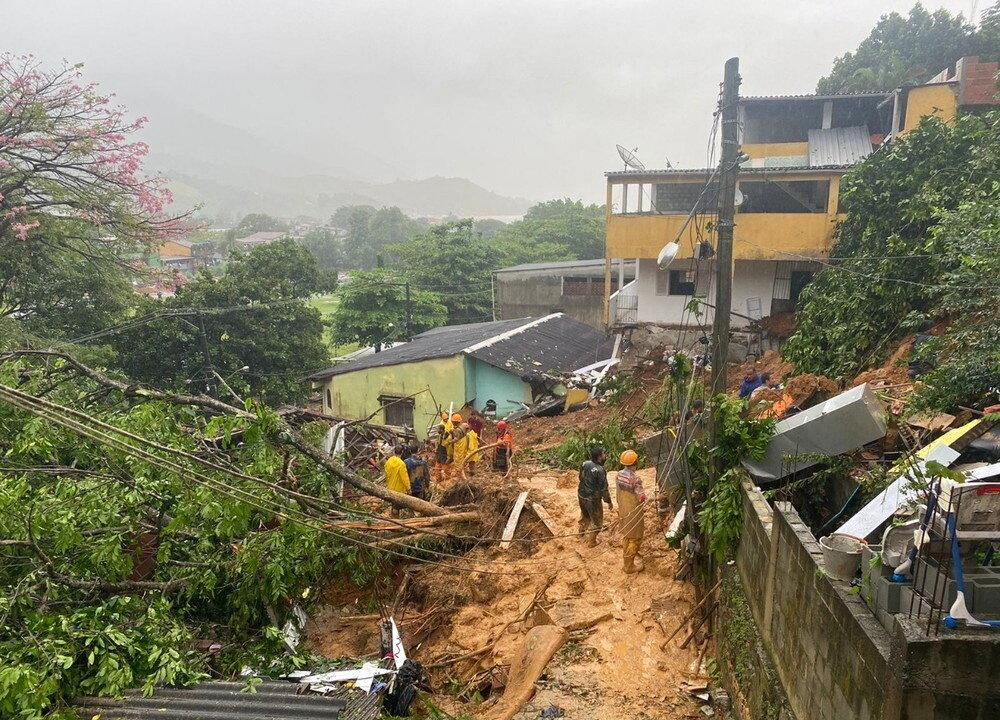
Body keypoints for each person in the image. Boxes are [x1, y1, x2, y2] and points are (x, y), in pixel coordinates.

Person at [616, 449, 646, 573]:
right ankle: (629, 566)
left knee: (627, 536)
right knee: (635, 538)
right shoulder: (635, 479)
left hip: (623, 509)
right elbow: (642, 498)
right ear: (635, 462)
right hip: (633, 511)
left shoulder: (618, 475)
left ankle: (627, 560)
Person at [578, 446, 612, 547]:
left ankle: (581, 532)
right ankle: (592, 542)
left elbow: (580, 477)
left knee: (585, 514)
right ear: (599, 457)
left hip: (581, 494)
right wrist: (609, 501)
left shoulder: (585, 463)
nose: (605, 456)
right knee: (597, 522)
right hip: (592, 499)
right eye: (604, 454)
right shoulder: (600, 470)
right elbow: (604, 489)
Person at [384, 445, 411, 517]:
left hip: (390, 487)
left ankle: (393, 520)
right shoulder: (401, 464)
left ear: (394, 451)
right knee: (397, 506)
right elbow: (404, 478)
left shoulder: (388, 461)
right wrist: (408, 488)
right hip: (399, 489)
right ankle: (396, 521)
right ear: (402, 452)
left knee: (394, 504)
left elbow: (387, 474)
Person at [434, 412, 453, 483]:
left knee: (446, 469)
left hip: (445, 454)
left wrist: (449, 457)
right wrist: (436, 449)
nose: (437, 431)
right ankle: (438, 480)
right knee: (437, 468)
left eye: (439, 430)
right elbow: (438, 443)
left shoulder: (448, 438)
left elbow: (449, 448)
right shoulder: (439, 435)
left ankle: (448, 481)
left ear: (442, 430)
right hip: (439, 453)